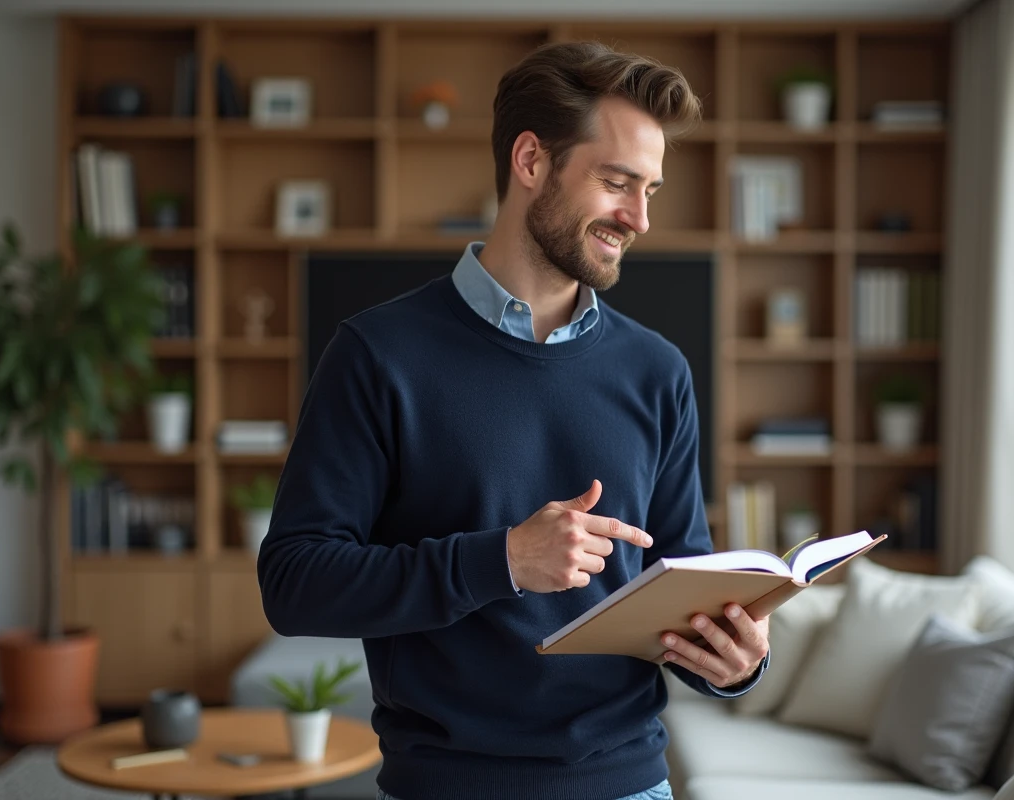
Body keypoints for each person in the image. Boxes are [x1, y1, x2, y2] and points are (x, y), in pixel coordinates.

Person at [258, 40, 771, 800]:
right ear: (531, 161)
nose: (639, 217)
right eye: (617, 183)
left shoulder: (658, 372)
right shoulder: (376, 354)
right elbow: (294, 583)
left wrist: (732, 662)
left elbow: (677, 577)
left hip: (628, 782)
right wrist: (500, 560)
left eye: (650, 190)